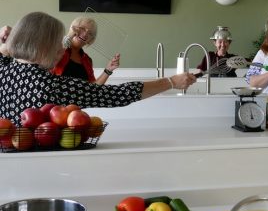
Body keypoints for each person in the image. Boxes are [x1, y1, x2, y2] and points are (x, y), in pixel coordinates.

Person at [0, 11, 196, 126]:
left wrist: (5, 44)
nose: (61, 47)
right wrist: (171, 81)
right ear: (41, 46)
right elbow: (118, 94)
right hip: (41, 165)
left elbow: (5, 53)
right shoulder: (50, 85)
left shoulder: (4, 70)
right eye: (56, 43)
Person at [52, 16, 120, 85]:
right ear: (73, 28)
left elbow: (93, 88)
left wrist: (108, 70)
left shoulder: (87, 60)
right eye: (82, 29)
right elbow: (51, 60)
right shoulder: (55, 47)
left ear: (90, 40)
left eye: (90, 33)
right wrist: (69, 35)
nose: (85, 34)